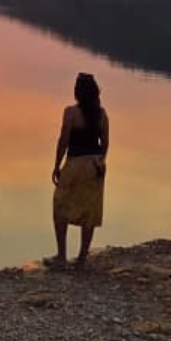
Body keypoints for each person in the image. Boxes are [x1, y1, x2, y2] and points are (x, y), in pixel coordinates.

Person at [48, 72, 109, 268]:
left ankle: (62, 256)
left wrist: (57, 165)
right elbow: (105, 143)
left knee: (60, 205)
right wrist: (100, 161)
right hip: (95, 165)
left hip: (76, 163)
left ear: (77, 92)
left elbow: (63, 140)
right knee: (89, 209)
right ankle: (82, 258)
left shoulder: (71, 112)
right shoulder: (102, 114)